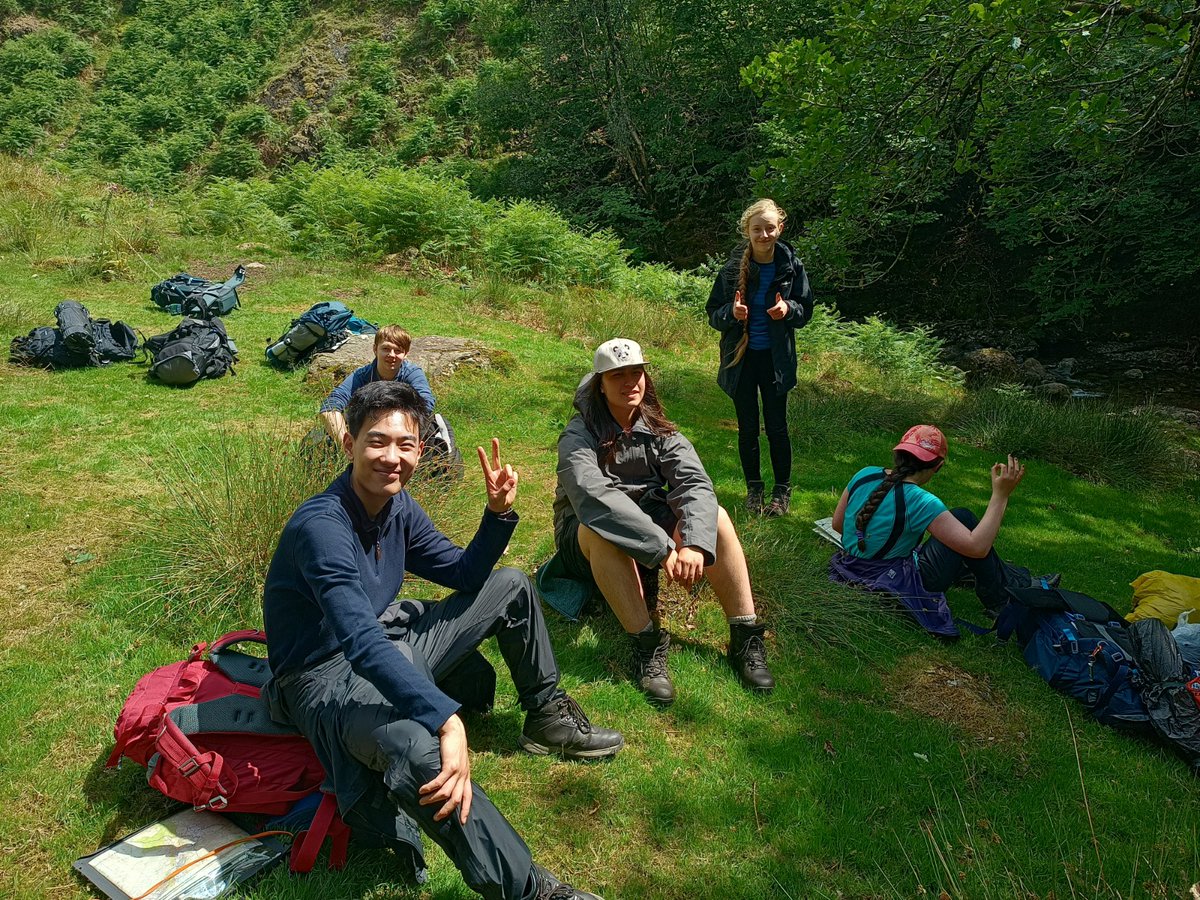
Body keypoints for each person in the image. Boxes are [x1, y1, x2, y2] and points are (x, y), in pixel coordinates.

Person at [264, 380, 621, 900]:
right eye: (377, 441)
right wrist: (444, 718)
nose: (392, 458)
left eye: (405, 444)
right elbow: (359, 642)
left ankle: (546, 717)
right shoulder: (322, 527)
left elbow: (462, 571)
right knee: (420, 753)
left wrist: (497, 513)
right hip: (324, 678)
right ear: (349, 445)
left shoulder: (397, 507)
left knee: (511, 585)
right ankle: (528, 889)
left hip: (388, 636)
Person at [553, 337, 776, 706]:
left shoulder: (660, 428)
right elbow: (594, 499)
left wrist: (692, 544)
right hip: (584, 537)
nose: (631, 382)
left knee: (716, 518)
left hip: (652, 528)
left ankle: (745, 636)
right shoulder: (578, 435)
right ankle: (646, 645)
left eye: (637, 372)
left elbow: (696, 485)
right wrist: (664, 549)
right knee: (602, 532)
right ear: (599, 384)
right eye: (618, 375)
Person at [829, 425, 1059, 638]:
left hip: (851, 566)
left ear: (898, 453)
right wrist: (1001, 495)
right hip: (892, 579)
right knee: (964, 519)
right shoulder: (920, 500)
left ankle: (1013, 581)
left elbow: (838, 525)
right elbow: (978, 547)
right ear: (938, 466)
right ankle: (1002, 596)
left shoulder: (864, 474)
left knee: (956, 533)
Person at [706, 198, 814, 517]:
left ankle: (782, 492)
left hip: (776, 361)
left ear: (780, 228)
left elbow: (805, 310)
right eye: (757, 229)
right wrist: (731, 312)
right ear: (747, 232)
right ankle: (754, 489)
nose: (764, 235)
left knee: (777, 427)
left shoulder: (792, 266)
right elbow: (713, 313)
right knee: (748, 428)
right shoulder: (732, 267)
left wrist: (788, 310)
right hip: (741, 362)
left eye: (770, 228)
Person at [320, 325, 436, 446]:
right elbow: (331, 405)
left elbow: (426, 403)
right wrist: (347, 446)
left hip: (402, 427)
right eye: (386, 349)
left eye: (398, 351)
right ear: (375, 349)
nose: (392, 355)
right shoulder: (361, 375)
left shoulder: (413, 373)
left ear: (406, 354)